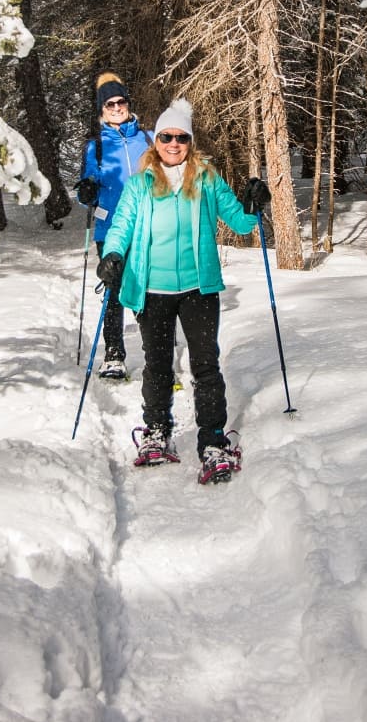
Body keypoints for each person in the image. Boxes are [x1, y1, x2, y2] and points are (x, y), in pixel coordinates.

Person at [96, 97, 271, 484]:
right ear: (155, 141)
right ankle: (157, 433)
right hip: (151, 288)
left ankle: (212, 441)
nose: (173, 144)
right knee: (158, 366)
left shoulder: (206, 178)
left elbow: (241, 223)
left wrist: (255, 202)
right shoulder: (140, 183)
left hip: (198, 287)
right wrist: (112, 255)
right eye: (165, 137)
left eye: (180, 137)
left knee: (205, 366)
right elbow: (121, 224)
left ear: (190, 141)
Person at [76, 72, 152, 378]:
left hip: (146, 224)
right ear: (102, 110)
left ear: (128, 104)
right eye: (110, 104)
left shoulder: (147, 139)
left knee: (146, 290)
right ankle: (114, 356)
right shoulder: (94, 146)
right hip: (109, 229)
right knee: (114, 291)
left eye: (121, 102)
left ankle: (156, 354)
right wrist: (87, 191)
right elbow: (86, 190)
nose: (117, 107)